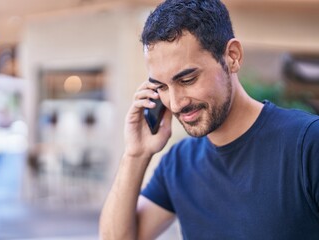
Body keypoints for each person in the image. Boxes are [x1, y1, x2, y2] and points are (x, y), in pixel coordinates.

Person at [99, 0, 319, 239]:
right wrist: (136, 154)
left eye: (187, 80)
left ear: (232, 56)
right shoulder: (179, 163)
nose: (175, 103)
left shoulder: (307, 145)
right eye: (161, 86)